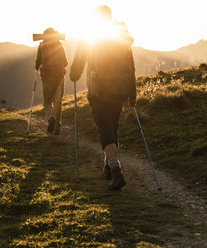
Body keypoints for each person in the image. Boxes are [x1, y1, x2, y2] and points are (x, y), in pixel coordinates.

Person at [70, 5, 136, 190]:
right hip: (120, 90)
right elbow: (131, 67)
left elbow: (78, 63)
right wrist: (132, 93)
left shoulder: (91, 35)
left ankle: (116, 171)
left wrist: (74, 74)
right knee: (112, 129)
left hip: (99, 91)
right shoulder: (122, 38)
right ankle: (108, 167)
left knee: (105, 130)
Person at [35, 28, 68, 135]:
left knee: (47, 102)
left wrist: (38, 68)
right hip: (59, 77)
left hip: (47, 77)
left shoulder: (42, 46)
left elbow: (37, 63)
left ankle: (51, 118)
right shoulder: (59, 45)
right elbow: (65, 62)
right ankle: (57, 127)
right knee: (58, 102)